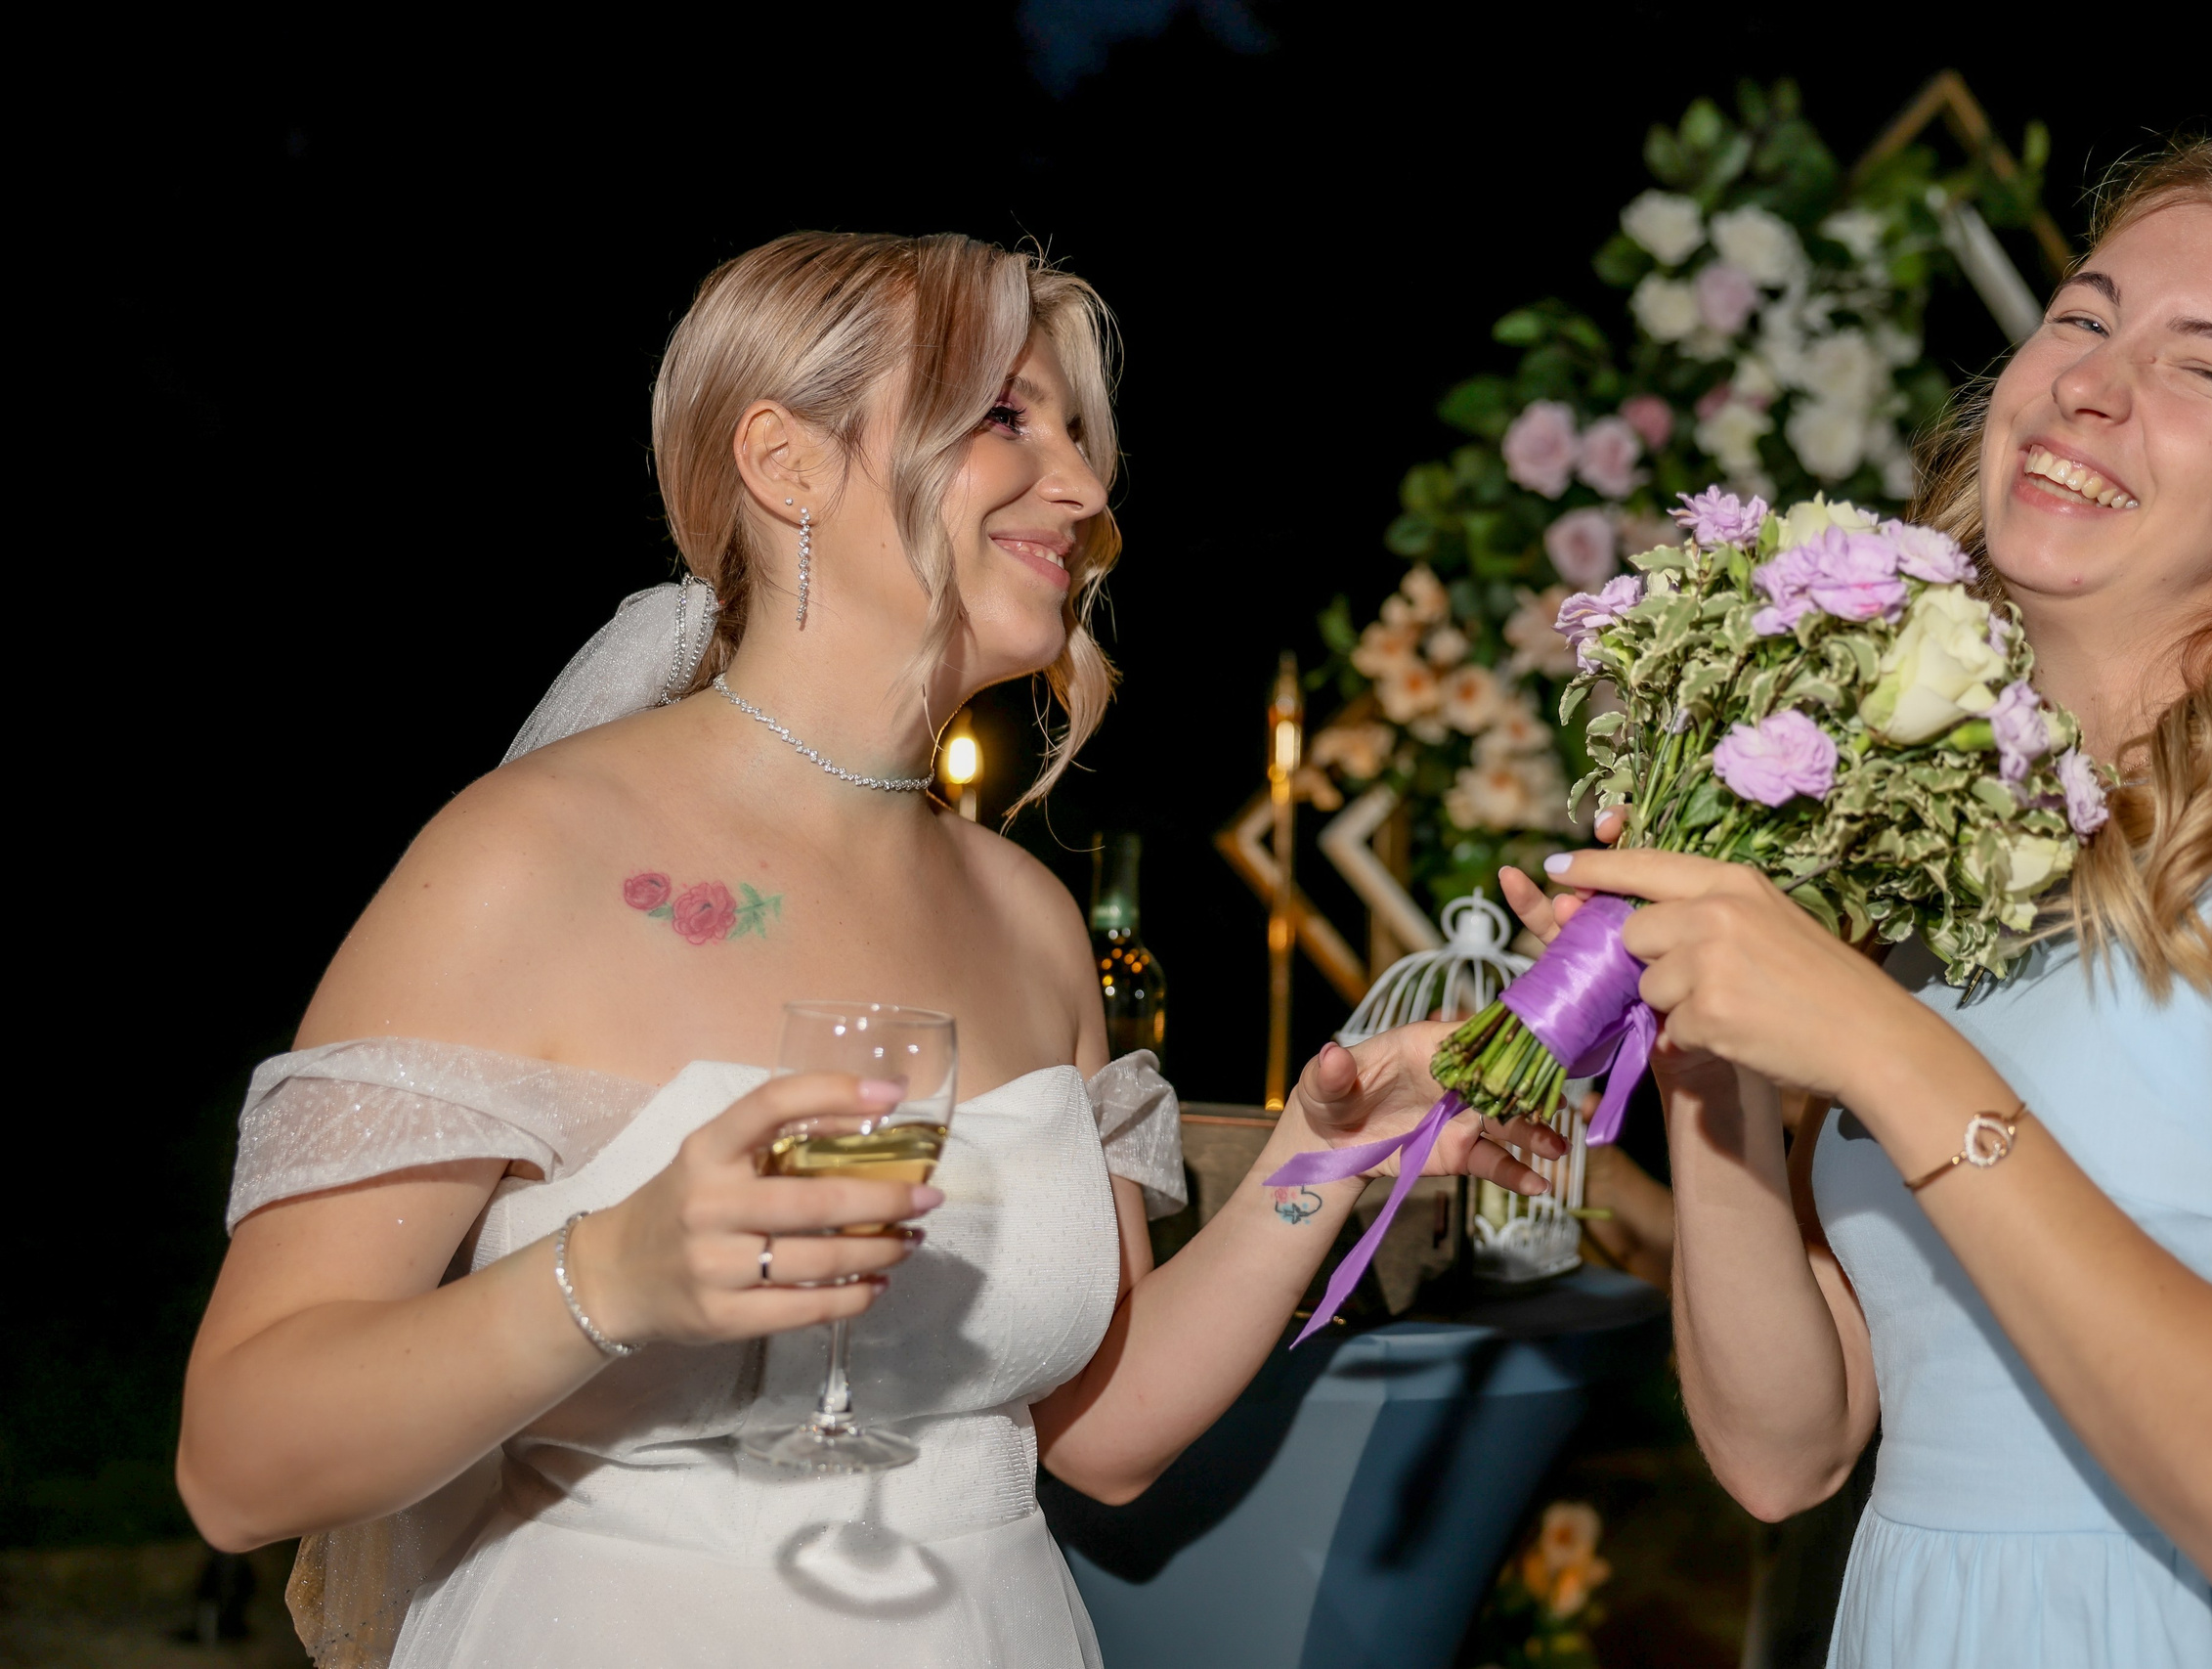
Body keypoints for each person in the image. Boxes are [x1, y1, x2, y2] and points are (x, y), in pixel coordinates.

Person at [176, 231, 1563, 1668]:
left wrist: (1319, 1168)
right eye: (1006, 418)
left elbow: (1103, 1434)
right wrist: (610, 1281)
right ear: (787, 464)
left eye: (1082, 435)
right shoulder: (526, 862)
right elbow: (241, 1462)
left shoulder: (1029, 922)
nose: (1085, 491)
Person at [1505, 126, 2212, 1665]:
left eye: (2207, 368)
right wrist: (1713, 1039)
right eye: (2085, 316)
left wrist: (1880, 1045)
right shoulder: (1935, 827)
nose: (2091, 384)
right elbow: (1792, 1448)